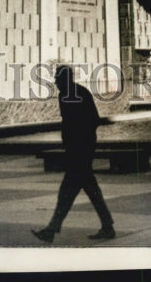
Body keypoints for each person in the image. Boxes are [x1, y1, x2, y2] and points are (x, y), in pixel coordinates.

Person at [32, 65, 115, 243]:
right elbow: (93, 119)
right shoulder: (78, 92)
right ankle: (107, 226)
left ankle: (52, 229)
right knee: (89, 190)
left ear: (65, 79)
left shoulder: (69, 95)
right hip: (82, 148)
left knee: (68, 192)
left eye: (57, 78)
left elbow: (74, 122)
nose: (55, 81)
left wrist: (74, 142)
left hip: (78, 149)